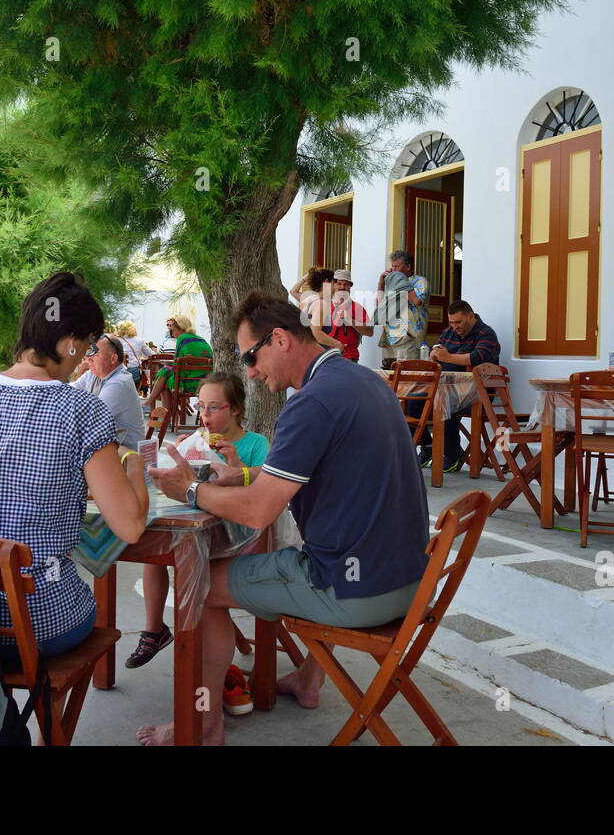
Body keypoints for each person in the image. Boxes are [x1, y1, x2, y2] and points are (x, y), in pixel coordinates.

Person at [144, 293, 428, 745]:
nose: (251, 373)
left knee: (197, 585)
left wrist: (191, 490)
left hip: (355, 592)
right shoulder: (361, 379)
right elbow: (302, 467)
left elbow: (259, 510)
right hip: (410, 582)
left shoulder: (311, 403)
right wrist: (240, 474)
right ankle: (308, 678)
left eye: (251, 358)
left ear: (279, 339)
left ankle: (204, 723)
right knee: (319, 546)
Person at [0, 271, 148, 661]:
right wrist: (136, 468)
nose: (86, 358)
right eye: (89, 345)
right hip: (35, 623)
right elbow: (129, 525)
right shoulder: (83, 411)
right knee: (79, 604)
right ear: (70, 342)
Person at [128, 372, 269, 679]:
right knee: (154, 549)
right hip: (199, 533)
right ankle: (154, 630)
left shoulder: (255, 444)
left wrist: (237, 468)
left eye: (214, 407)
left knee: (191, 575)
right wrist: (182, 459)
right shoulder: (195, 440)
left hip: (239, 539)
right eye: (200, 406)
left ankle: (202, 670)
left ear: (234, 409)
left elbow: (263, 494)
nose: (204, 415)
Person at [411, 300, 502, 473]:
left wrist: (447, 357)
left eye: (458, 322)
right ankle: (428, 445)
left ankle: (452, 453)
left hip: (478, 394)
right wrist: (434, 354)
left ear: (470, 316)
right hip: (446, 388)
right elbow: (437, 350)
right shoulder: (449, 332)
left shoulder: (486, 333)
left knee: (445, 399)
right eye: (451, 323)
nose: (455, 327)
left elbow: (479, 357)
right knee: (412, 400)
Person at [71, 332, 146, 450]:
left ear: (113, 358)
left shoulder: (120, 382)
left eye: (94, 354)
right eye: (88, 352)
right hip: (108, 450)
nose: (88, 358)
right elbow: (70, 391)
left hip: (126, 459)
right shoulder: (94, 374)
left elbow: (91, 418)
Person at [143, 314, 212, 419]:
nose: (173, 334)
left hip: (188, 383)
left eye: (173, 331)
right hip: (203, 384)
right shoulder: (201, 340)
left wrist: (173, 376)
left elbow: (177, 364)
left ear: (181, 329)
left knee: (165, 375)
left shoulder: (183, 339)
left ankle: (160, 414)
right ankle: (156, 410)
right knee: (166, 377)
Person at [374, 250, 429, 368]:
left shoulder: (420, 281)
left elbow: (417, 301)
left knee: (406, 373)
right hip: (390, 337)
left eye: (397, 266)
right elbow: (380, 306)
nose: (393, 270)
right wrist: (381, 283)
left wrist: (401, 282)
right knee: (390, 374)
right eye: (392, 266)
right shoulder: (392, 283)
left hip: (408, 336)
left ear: (408, 267)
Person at [287, 268, 344, 351]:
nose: (335, 287)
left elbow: (293, 291)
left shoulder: (309, 299)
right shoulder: (320, 303)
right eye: (334, 283)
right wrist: (338, 344)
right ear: (326, 282)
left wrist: (309, 275)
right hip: (315, 354)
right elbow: (316, 333)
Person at [328, 269, 372, 361]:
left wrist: (350, 320)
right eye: (339, 283)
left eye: (346, 284)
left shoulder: (357, 307)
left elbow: (369, 332)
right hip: (327, 357)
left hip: (348, 358)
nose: (342, 287)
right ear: (333, 285)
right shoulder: (324, 306)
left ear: (350, 287)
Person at [114, 319, 156, 389]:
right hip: (134, 372)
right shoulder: (139, 340)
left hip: (118, 372)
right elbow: (151, 355)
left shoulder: (116, 341)